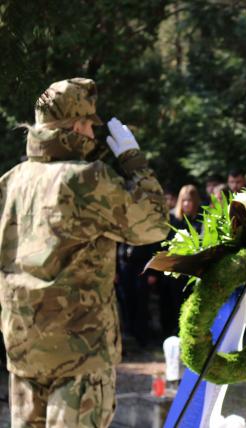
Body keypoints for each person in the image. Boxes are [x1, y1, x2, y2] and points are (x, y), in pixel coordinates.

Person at [0, 78, 169, 427]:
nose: (93, 135)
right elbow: (152, 224)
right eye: (90, 126)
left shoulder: (12, 180)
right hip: (81, 348)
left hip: (23, 345)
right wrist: (133, 160)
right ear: (76, 125)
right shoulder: (87, 179)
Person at [160, 184, 202, 337]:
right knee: (174, 304)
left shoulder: (201, 218)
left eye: (189, 200)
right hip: (175, 270)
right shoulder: (172, 218)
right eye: (183, 200)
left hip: (193, 270)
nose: (186, 204)